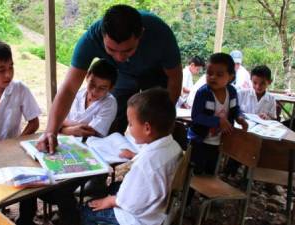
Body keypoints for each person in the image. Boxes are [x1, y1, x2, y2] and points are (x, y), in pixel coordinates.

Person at [37, 4, 182, 153]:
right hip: (123, 74)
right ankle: (106, 167)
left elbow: (175, 79)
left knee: (154, 124)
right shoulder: (90, 40)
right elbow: (69, 88)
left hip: (156, 74)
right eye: (111, 50)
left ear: (141, 34)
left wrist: (164, 120)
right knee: (114, 122)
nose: (119, 57)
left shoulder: (161, 34)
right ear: (102, 35)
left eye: (128, 50)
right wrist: (51, 131)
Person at [80, 87, 181, 225]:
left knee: (86, 211)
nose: (129, 127)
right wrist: (135, 155)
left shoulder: (145, 164)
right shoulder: (173, 146)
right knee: (114, 186)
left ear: (147, 128)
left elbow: (131, 203)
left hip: (138, 219)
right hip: (158, 211)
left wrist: (110, 200)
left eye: (131, 124)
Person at [187, 52, 248, 181]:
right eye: (209, 73)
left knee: (211, 171)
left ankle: (206, 198)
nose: (213, 77)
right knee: (194, 171)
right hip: (200, 140)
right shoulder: (203, 93)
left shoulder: (231, 92)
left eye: (219, 74)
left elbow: (235, 108)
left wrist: (239, 118)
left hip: (219, 142)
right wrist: (217, 121)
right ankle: (188, 198)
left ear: (230, 77)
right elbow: (196, 116)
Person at [60, 59, 118, 137]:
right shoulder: (76, 94)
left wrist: (63, 127)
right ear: (87, 76)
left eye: (102, 88)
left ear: (111, 88)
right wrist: (72, 130)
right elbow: (57, 119)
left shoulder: (109, 103)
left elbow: (90, 131)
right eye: (92, 84)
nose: (94, 91)